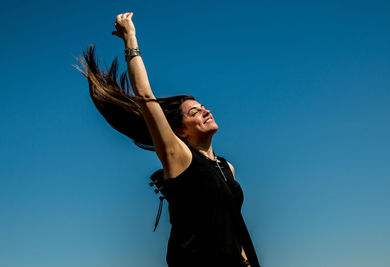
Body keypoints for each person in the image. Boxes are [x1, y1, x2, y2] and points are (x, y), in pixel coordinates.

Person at [75, 12, 260, 267]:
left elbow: (231, 224)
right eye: (194, 112)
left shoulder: (227, 168)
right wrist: (130, 38)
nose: (206, 111)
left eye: (204, 107)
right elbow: (145, 96)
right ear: (181, 132)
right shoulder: (179, 158)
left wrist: (245, 260)